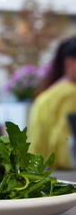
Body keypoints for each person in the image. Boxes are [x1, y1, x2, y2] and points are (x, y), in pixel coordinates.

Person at [28, 36, 76, 169]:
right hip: (65, 177)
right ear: (70, 63)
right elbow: (66, 150)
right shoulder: (71, 94)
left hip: (42, 175)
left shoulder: (48, 93)